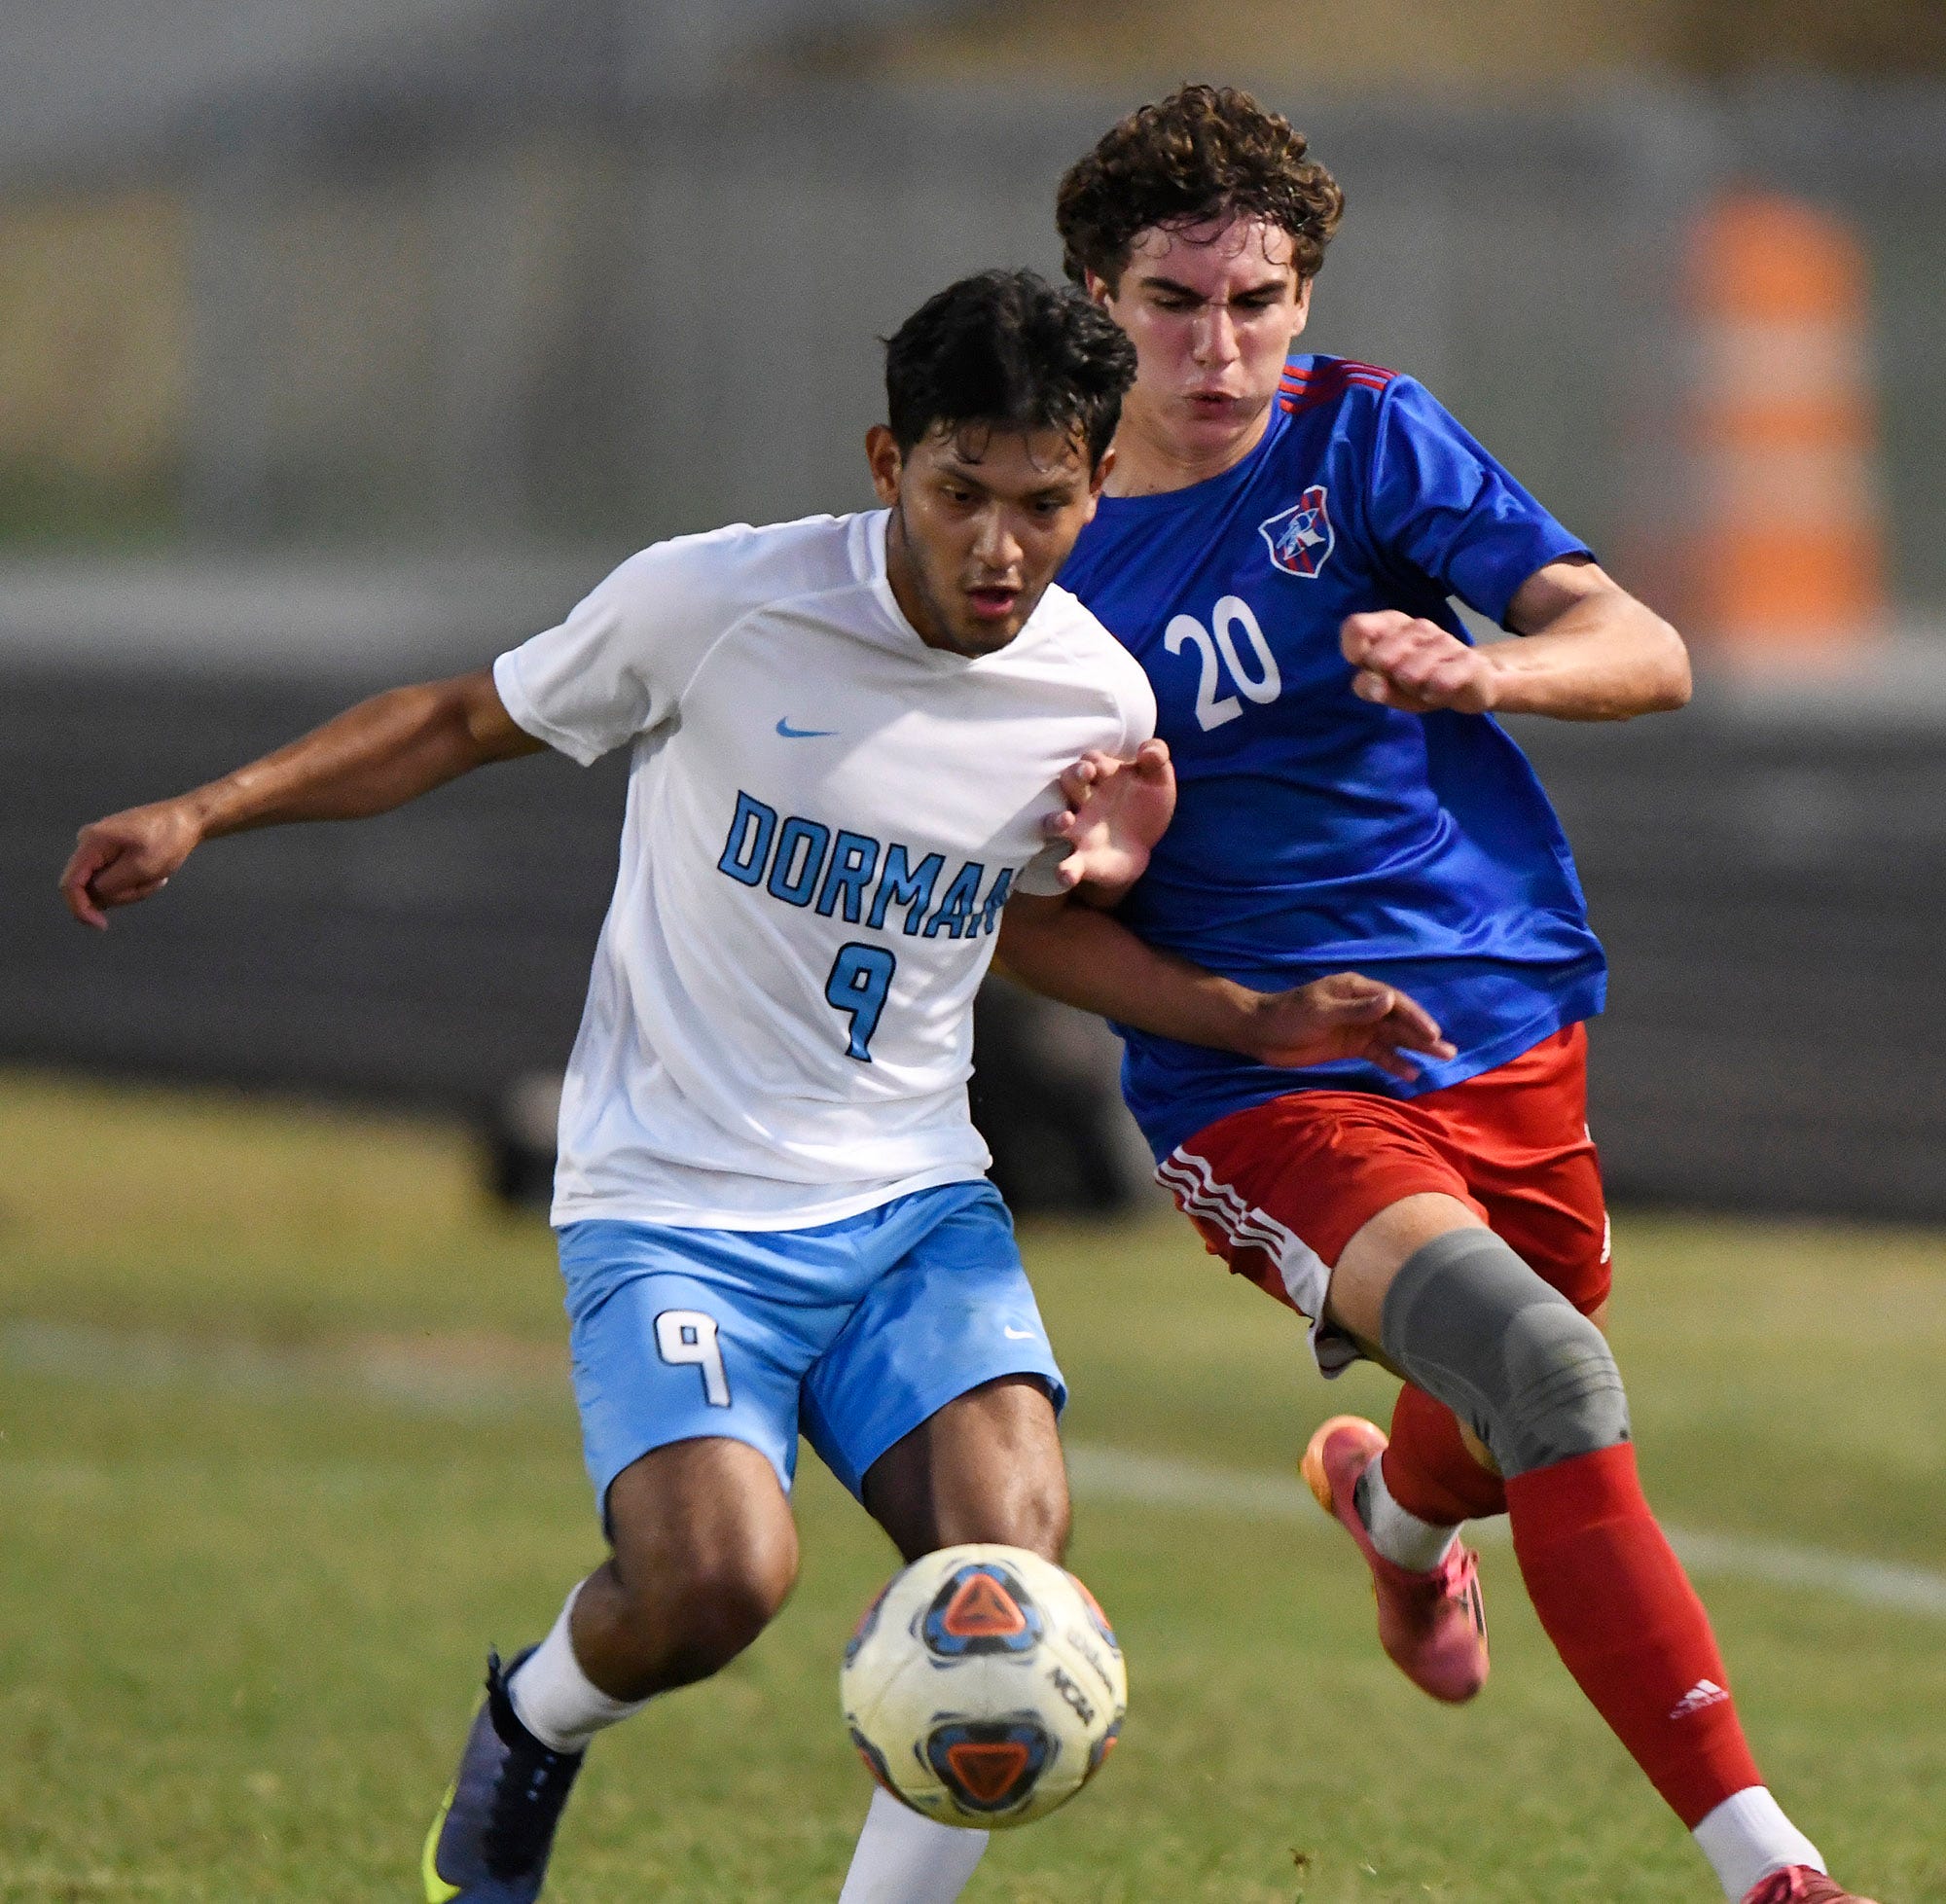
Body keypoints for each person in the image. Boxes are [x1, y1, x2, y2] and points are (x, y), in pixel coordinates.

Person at [59, 269, 1448, 1904]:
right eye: (961, 495)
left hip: (910, 1202)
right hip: (672, 1199)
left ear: (1097, 485)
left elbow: (1019, 929)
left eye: (1046, 503)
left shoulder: (1094, 697)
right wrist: (206, 811)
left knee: (1006, 1574)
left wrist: (1254, 1015)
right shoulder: (715, 605)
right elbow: (452, 719)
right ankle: (531, 1721)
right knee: (715, 1580)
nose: (1000, 547)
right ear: (887, 464)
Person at [992, 86, 1876, 1904]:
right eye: (1175, 303)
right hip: (1265, 1085)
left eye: (1260, 300)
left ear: (1304, 294)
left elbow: (1650, 646)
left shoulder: (1370, 441)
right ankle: (1771, 1868)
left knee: (1502, 1404)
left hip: (1508, 1023)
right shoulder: (1046, 549)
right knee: (1551, 1366)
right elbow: (1015, 919)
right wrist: (1210, 988)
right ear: (1097, 295)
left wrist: (1488, 678)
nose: (1221, 347)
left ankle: (1395, 1520)